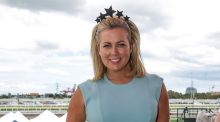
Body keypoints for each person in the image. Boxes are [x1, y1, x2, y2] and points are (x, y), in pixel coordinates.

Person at [66, 6, 169, 122]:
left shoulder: (157, 87)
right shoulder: (83, 93)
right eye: (107, 45)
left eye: (121, 44)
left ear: (131, 47)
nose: (114, 52)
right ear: (98, 49)